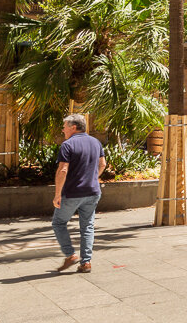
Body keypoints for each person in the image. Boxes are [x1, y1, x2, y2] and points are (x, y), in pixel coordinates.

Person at [52, 113, 105, 273]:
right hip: (93, 191)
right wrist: (92, 178)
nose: (63, 130)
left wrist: (57, 194)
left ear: (73, 127)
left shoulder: (67, 145)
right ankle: (86, 262)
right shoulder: (96, 142)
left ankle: (70, 255)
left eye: (64, 127)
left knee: (58, 223)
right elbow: (102, 164)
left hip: (73, 193)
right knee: (87, 226)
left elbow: (62, 170)